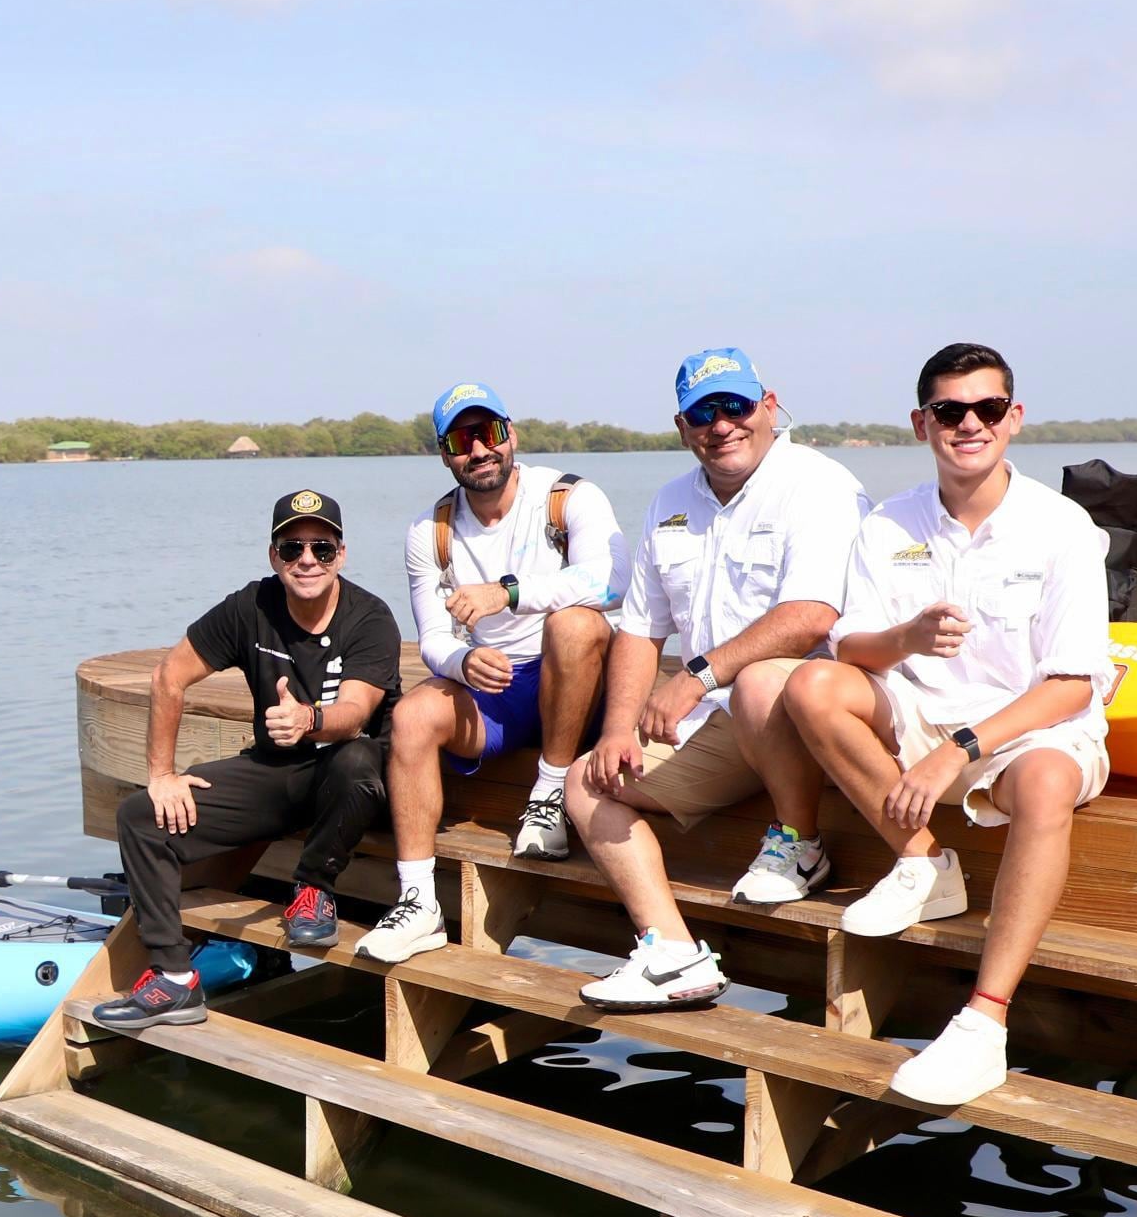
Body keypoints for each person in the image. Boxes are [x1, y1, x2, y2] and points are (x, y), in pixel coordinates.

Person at [775, 343, 1113, 1107]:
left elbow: (1070, 687)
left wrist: (956, 752)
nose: (969, 424)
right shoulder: (887, 523)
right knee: (811, 684)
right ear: (921, 423)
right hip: (921, 715)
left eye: (986, 408)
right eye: (949, 410)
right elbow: (850, 648)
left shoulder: (1061, 526)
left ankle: (984, 1022)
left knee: (1048, 782)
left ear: (1013, 418)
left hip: (1024, 732)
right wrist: (908, 638)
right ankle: (925, 866)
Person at [567, 349, 870, 1008]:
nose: (722, 425)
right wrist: (617, 728)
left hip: (810, 714)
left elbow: (812, 615)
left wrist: (696, 677)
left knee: (761, 681)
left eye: (735, 405)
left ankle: (799, 844)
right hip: (722, 721)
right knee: (586, 780)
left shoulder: (818, 485)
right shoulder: (669, 502)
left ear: (769, 406)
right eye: (703, 414)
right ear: (683, 428)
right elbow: (640, 629)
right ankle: (673, 954)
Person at [88, 489, 402, 1032]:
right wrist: (161, 775)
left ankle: (313, 889)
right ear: (274, 555)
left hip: (348, 783)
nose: (307, 560)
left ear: (341, 555)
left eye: (322, 548)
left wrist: (308, 719)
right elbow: (168, 676)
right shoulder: (250, 606)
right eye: (293, 548)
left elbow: (354, 715)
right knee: (139, 817)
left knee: (356, 760)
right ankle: (174, 978)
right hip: (275, 772)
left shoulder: (370, 617)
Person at [355, 383, 628, 964]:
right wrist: (462, 661)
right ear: (444, 454)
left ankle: (548, 795)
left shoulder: (568, 497)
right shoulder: (430, 531)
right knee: (412, 715)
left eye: (489, 433)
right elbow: (433, 637)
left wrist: (508, 593)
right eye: (461, 440)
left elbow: (613, 582)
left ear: (511, 435)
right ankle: (418, 902)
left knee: (573, 625)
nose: (479, 450)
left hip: (581, 683)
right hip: (500, 691)